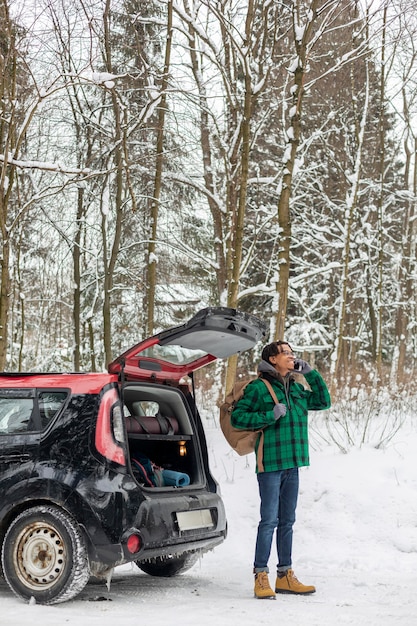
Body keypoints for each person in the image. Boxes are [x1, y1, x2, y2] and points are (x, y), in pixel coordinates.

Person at [231, 340, 331, 599]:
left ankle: (285, 575)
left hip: (293, 464)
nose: (291, 356)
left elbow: (323, 401)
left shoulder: (296, 387)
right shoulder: (258, 388)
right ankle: (261, 576)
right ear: (272, 359)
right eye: (285, 353)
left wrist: (311, 373)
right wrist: (269, 415)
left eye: (291, 353)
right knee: (269, 522)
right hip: (271, 465)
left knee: (287, 521)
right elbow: (237, 418)